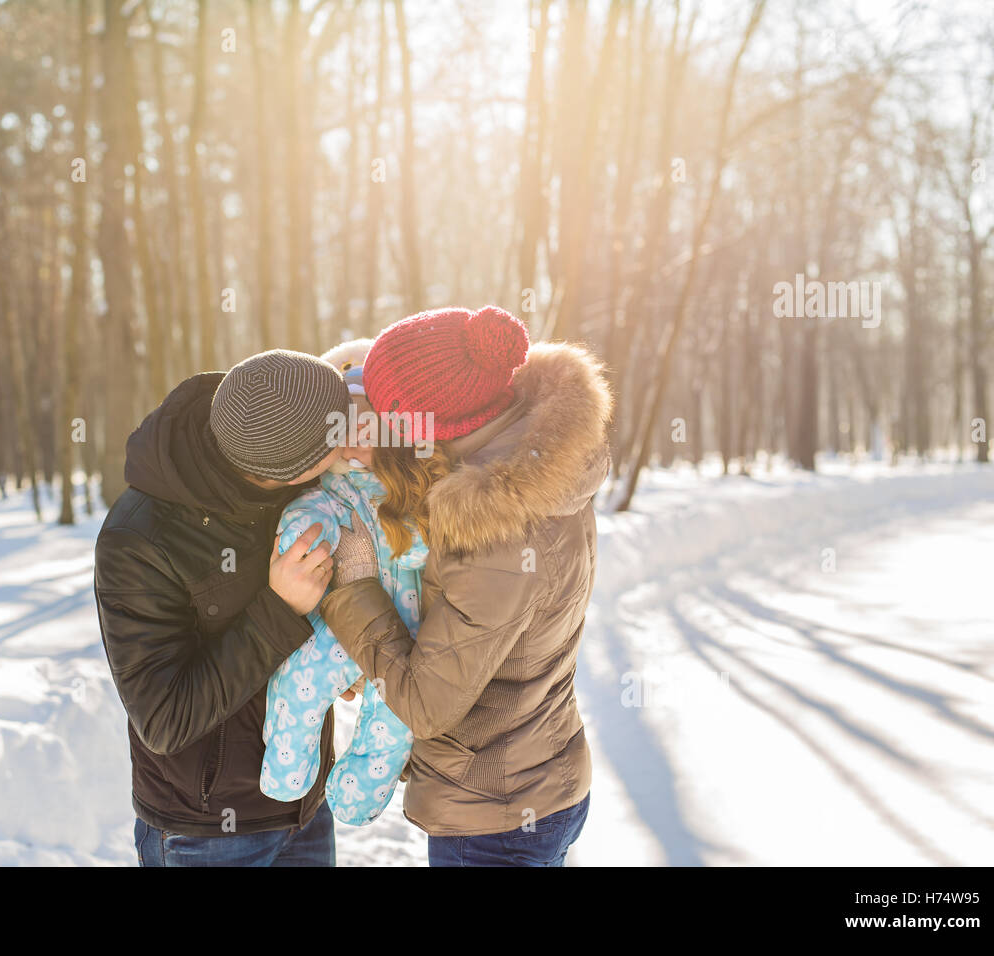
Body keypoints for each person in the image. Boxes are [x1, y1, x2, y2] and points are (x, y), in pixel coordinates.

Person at [321, 306, 614, 867]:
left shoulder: (493, 532)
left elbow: (426, 705)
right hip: (544, 779)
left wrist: (350, 588)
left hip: (493, 820)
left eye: (384, 413)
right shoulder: (538, 455)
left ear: (418, 426)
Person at [94, 349, 349, 866]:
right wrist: (279, 609)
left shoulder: (298, 479)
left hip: (305, 805)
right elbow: (166, 720)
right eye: (339, 439)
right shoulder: (138, 539)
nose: (353, 448)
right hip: (208, 832)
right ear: (284, 470)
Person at [259, 339, 425, 827]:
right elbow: (309, 516)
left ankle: (360, 794)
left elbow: (423, 542)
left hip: (402, 630)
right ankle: (285, 773)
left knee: (395, 715)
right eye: (343, 429)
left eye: (366, 428)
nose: (353, 443)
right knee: (298, 683)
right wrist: (304, 535)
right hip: (337, 625)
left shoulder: (410, 489)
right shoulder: (329, 488)